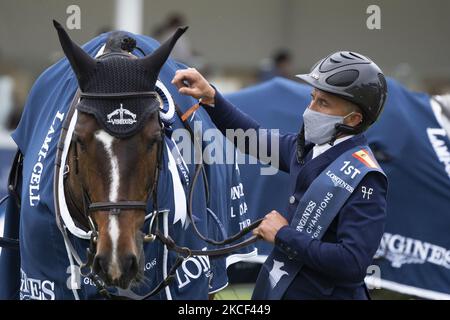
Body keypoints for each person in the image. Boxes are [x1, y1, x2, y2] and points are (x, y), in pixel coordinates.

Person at [172, 51, 388, 300]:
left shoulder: (366, 176)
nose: (310, 110)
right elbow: (254, 139)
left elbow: (352, 264)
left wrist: (284, 235)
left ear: (353, 119)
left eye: (323, 103)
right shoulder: (309, 148)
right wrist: (212, 98)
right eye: (312, 98)